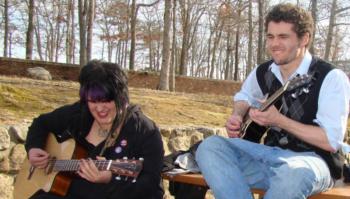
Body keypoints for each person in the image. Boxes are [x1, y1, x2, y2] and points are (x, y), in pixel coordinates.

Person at [195, 3, 350, 199]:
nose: (274, 44)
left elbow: (330, 141)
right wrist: (237, 115)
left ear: (305, 39)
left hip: (313, 162)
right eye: (270, 36)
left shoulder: (331, 77)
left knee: (291, 174)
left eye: (283, 37)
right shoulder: (264, 71)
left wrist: (279, 121)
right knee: (210, 147)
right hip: (268, 156)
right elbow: (244, 96)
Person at [25, 60, 164, 199]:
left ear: (122, 97)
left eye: (106, 101)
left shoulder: (145, 131)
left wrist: (109, 180)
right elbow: (41, 123)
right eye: (93, 101)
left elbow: (151, 188)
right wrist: (33, 148)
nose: (100, 108)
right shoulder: (79, 113)